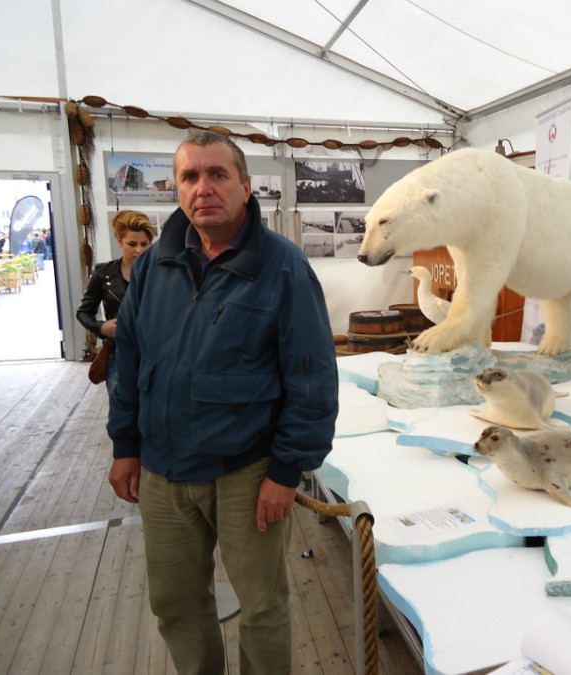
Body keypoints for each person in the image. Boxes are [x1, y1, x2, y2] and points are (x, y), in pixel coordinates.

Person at [107, 129, 338, 675]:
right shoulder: (153, 267)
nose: (203, 188)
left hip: (247, 473)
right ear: (177, 188)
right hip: (163, 472)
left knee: (261, 607)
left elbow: (311, 379)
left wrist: (286, 471)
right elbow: (131, 360)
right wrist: (125, 444)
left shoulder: (283, 269)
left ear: (246, 185)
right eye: (190, 176)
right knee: (176, 604)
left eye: (217, 174)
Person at [76, 210, 156, 396]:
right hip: (118, 354)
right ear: (119, 242)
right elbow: (83, 312)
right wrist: (101, 327)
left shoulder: (161, 272)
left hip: (154, 354)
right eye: (132, 244)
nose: (139, 250)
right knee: (122, 410)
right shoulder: (104, 274)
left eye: (145, 244)